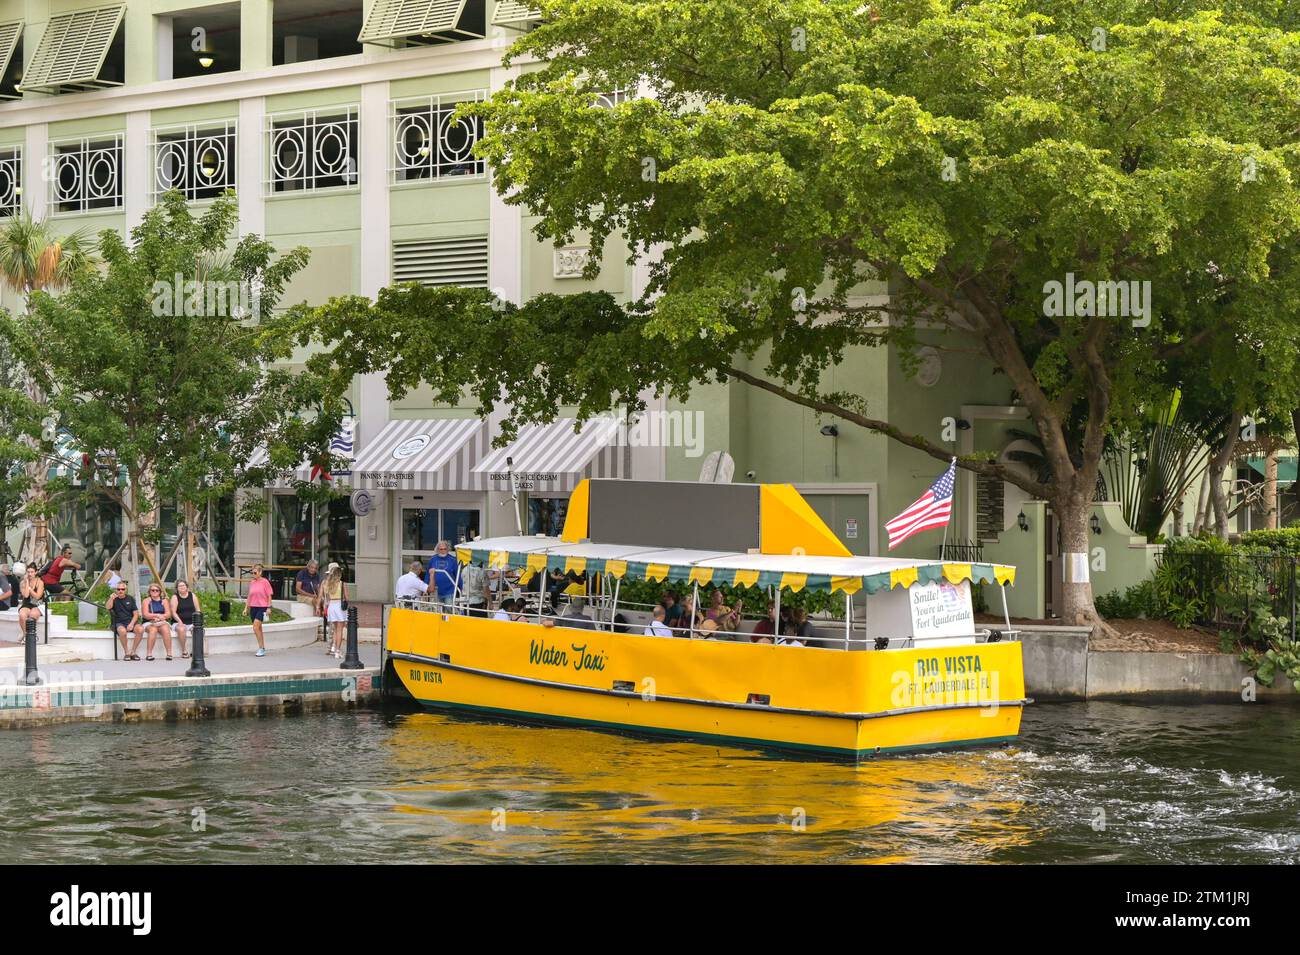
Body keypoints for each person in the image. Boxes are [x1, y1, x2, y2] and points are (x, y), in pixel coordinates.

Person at [243, 563, 273, 657]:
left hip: (262, 607)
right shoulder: (252, 583)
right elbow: (249, 596)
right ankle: (262, 647)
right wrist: (246, 608)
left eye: (255, 572)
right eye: (252, 573)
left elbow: (269, 595)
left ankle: (260, 648)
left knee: (255, 627)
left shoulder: (265, 582)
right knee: (259, 628)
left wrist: (269, 607)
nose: (253, 574)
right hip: (253, 607)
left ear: (260, 572)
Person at [107, 581, 142, 660]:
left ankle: (133, 652)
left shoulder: (130, 598)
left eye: (122, 589)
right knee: (122, 631)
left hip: (130, 621)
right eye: (118, 589)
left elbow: (136, 614)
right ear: (116, 590)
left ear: (125, 590)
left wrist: (132, 624)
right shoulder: (113, 598)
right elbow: (108, 607)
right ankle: (127, 653)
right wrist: (111, 598)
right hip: (118, 622)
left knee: (140, 629)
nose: (120, 591)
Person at [142, 583, 174, 661]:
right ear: (149, 592)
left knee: (166, 629)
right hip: (149, 622)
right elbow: (145, 614)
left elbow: (168, 614)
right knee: (153, 629)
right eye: (152, 590)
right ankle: (149, 654)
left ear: (160, 592)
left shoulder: (164, 601)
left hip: (161, 621)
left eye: (157, 590)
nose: (155, 591)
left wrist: (161, 618)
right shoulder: (146, 601)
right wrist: (157, 615)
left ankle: (169, 653)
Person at [322, 563, 347, 659]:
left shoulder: (327, 584)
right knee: (339, 630)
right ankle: (337, 651)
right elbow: (346, 597)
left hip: (331, 606)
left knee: (335, 629)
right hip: (339, 607)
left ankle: (333, 647)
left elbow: (327, 598)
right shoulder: (342, 584)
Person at [169, 579, 199, 658]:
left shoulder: (192, 595)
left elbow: (198, 610)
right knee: (181, 629)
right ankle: (184, 650)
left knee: (198, 629)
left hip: (191, 622)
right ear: (177, 588)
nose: (181, 587)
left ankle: (196, 650)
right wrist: (180, 621)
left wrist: (198, 621)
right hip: (178, 622)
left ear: (186, 587)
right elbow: (173, 612)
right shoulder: (175, 597)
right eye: (179, 586)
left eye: (183, 585)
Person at [426, 541, 459, 608]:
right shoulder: (432, 559)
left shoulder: (453, 560)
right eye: (441, 549)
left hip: (449, 591)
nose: (443, 551)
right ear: (437, 550)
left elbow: (458, 576)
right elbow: (427, 574)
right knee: (437, 612)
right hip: (436, 591)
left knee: (449, 612)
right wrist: (426, 587)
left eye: (445, 549)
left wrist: (460, 589)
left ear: (448, 549)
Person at [17, 565, 44, 630]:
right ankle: (25, 634)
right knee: (22, 615)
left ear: (35, 572)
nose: (30, 574)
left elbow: (37, 596)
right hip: (26, 604)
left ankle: (31, 634)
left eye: (32, 572)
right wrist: (27, 582)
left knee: (33, 615)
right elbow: (26, 595)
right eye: (28, 572)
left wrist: (29, 589)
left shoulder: (39, 582)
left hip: (37, 604)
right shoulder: (22, 583)